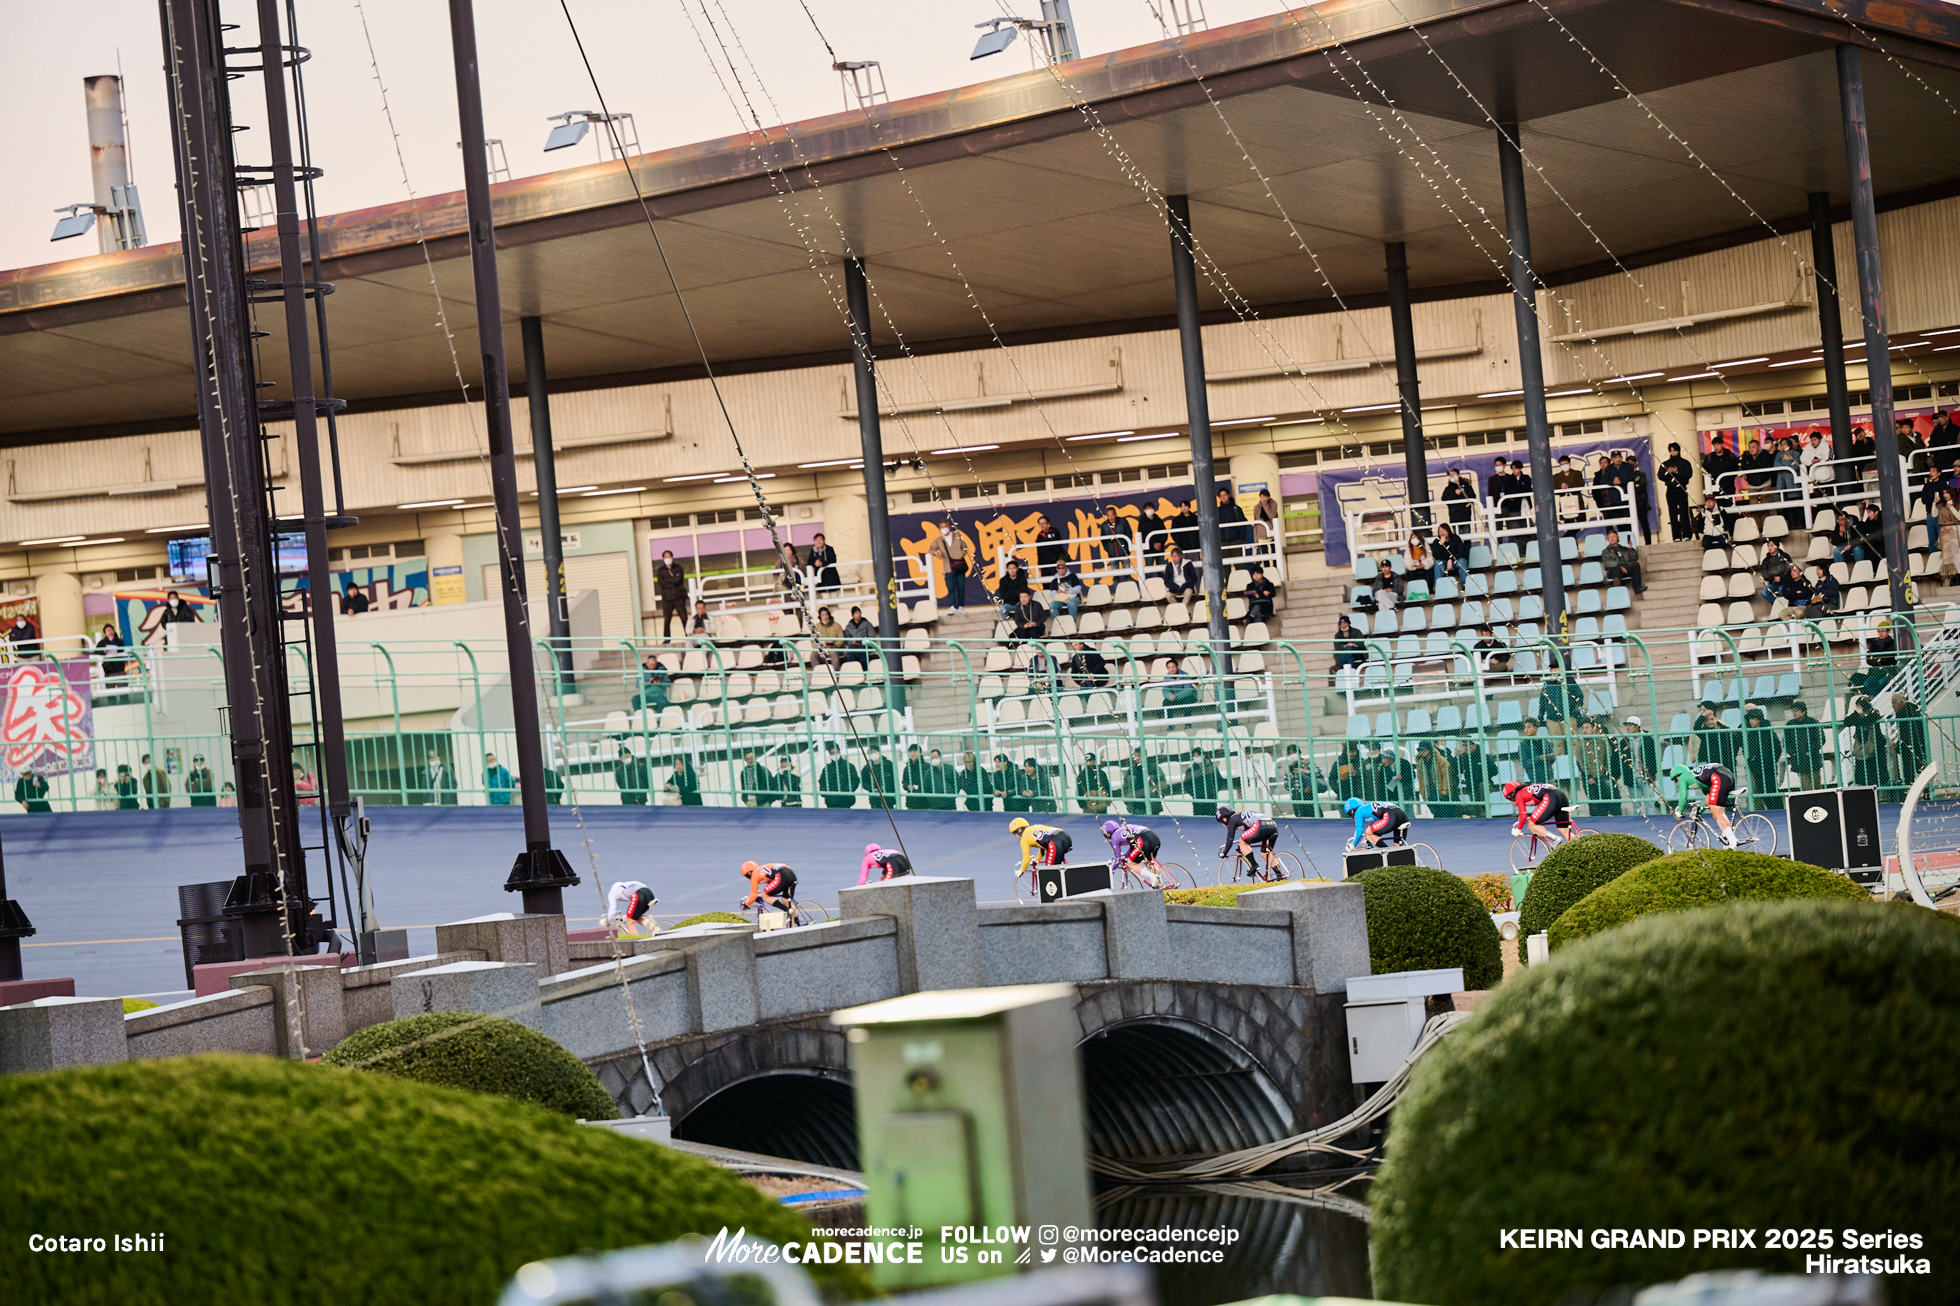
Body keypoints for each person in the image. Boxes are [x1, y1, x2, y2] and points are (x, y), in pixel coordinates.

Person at [1667, 760, 1743, 847]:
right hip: (1726, 774)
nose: (1676, 783)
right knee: (1718, 812)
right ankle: (1727, 835)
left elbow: (1683, 795)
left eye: (1675, 781)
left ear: (1677, 776)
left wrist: (1679, 811)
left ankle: (1733, 841)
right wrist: (1698, 812)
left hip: (1718, 776)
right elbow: (1708, 800)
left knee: (1716, 813)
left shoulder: (1682, 778)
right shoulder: (1700, 779)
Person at [1216, 802, 1281, 878]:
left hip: (1260, 824)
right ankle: (1279, 875)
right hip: (1272, 824)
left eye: (1221, 822)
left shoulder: (1232, 820)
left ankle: (1254, 865)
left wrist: (1224, 852)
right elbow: (1251, 834)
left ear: (1224, 819)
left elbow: (1230, 840)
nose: (1222, 825)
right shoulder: (1239, 817)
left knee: (1242, 841)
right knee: (1265, 853)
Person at [1502, 779, 1573, 844]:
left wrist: (1518, 829)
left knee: (1531, 825)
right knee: (1564, 830)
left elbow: (1523, 815)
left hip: (1550, 797)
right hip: (1561, 795)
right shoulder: (1525, 790)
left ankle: (1555, 839)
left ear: (1512, 795)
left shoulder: (1518, 796)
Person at [1102, 817, 1165, 888]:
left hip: (1143, 840)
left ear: (1108, 834)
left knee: (1131, 863)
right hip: (1154, 838)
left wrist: (1110, 870)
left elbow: (1118, 858)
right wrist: (1125, 856)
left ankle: (1152, 877)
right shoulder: (1123, 829)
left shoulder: (1114, 837)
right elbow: (1132, 848)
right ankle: (1161, 885)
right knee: (1148, 862)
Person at [931, 520, 971, 611]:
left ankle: (961, 606)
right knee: (950, 588)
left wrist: (960, 554)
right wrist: (935, 553)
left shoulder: (957, 536)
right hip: (948, 568)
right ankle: (952, 606)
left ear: (949, 527)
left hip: (959, 566)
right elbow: (930, 549)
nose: (944, 529)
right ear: (939, 529)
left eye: (945, 526)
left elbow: (965, 547)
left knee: (961, 587)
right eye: (942, 527)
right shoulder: (939, 540)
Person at [1658, 442, 1695, 541]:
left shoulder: (1684, 462)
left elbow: (1689, 474)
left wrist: (1677, 472)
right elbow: (1660, 475)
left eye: (1675, 450)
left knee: (1684, 512)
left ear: (1678, 451)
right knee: (1672, 513)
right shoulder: (1665, 464)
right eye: (1671, 451)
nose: (1673, 453)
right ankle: (1676, 536)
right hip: (1670, 489)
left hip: (1681, 488)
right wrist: (1668, 472)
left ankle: (1687, 534)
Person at [1344, 796, 1409, 849]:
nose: (1351, 817)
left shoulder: (1358, 812)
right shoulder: (1367, 808)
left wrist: (1353, 844)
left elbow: (1359, 832)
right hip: (1402, 815)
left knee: (1368, 833)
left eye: (1349, 814)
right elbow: (1378, 829)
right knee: (1398, 849)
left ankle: (1388, 853)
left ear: (1352, 811)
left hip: (1390, 815)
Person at [653, 551, 689, 639]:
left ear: (672, 557)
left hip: (678, 596)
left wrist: (668, 580)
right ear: (663, 558)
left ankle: (689, 635)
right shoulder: (661, 570)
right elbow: (661, 583)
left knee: (684, 617)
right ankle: (666, 638)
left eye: (669, 556)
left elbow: (679, 580)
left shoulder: (678, 568)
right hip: (667, 598)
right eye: (665, 557)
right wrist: (673, 581)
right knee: (667, 619)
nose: (667, 558)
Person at [1598, 529, 1645, 595]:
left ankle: (1637, 588)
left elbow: (1635, 558)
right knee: (1616, 569)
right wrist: (1620, 567)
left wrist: (1631, 549)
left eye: (1613, 536)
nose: (1612, 539)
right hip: (1613, 571)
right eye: (1610, 537)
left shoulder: (1624, 549)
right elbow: (1607, 563)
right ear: (1607, 539)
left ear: (1618, 537)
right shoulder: (1605, 551)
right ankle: (1617, 585)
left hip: (1625, 569)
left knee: (1636, 564)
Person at [1123, 747, 1163, 816]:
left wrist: (1156, 799)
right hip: (1136, 806)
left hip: (1152, 806)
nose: (1137, 758)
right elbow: (1125, 788)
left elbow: (1162, 785)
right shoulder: (1131, 771)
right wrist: (1128, 801)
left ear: (1146, 756)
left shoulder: (1154, 769)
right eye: (1136, 756)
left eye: (1140, 756)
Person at [817, 742, 859, 809]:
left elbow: (855, 781)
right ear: (829, 754)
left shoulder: (848, 766)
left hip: (846, 801)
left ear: (839, 752)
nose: (834, 755)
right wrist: (826, 793)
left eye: (836, 752)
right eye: (832, 753)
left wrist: (845, 791)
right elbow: (822, 783)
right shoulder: (827, 769)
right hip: (831, 802)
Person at [1756, 538, 1794, 604]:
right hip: (1773, 583)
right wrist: (1773, 578)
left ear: (1777, 547)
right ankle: (1777, 605)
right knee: (1764, 592)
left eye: (1772, 546)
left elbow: (1788, 569)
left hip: (1784, 582)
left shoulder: (1785, 556)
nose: (1770, 548)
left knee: (1781, 591)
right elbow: (1764, 573)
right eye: (1768, 546)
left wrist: (1780, 578)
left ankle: (1783, 606)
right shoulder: (1766, 560)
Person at [1553, 455, 1587, 524]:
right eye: (1562, 464)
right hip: (1565, 502)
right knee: (1568, 522)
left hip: (1577, 500)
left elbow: (1581, 484)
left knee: (1581, 521)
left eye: (1565, 464)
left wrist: (1568, 486)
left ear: (1569, 463)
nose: (1564, 466)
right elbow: (1554, 488)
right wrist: (1561, 487)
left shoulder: (1577, 473)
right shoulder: (1556, 476)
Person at [1938, 487, 1960, 584]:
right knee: (1948, 556)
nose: (1945, 495)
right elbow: (1935, 515)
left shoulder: (1957, 505)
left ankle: (1959, 574)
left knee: (1956, 554)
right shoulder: (1941, 505)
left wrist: (1951, 507)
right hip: (1945, 531)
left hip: (1955, 530)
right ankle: (1953, 575)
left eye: (1947, 493)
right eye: (1944, 493)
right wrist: (1934, 504)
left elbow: (1959, 517)